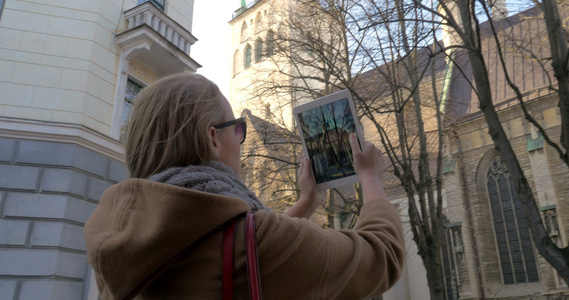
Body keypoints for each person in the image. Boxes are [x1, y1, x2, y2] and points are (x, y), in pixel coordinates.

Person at [84, 73, 405, 300]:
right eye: (236, 128)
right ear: (213, 139)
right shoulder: (254, 240)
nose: (240, 139)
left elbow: (239, 242)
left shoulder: (117, 246)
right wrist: (371, 178)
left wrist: (307, 202)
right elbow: (382, 256)